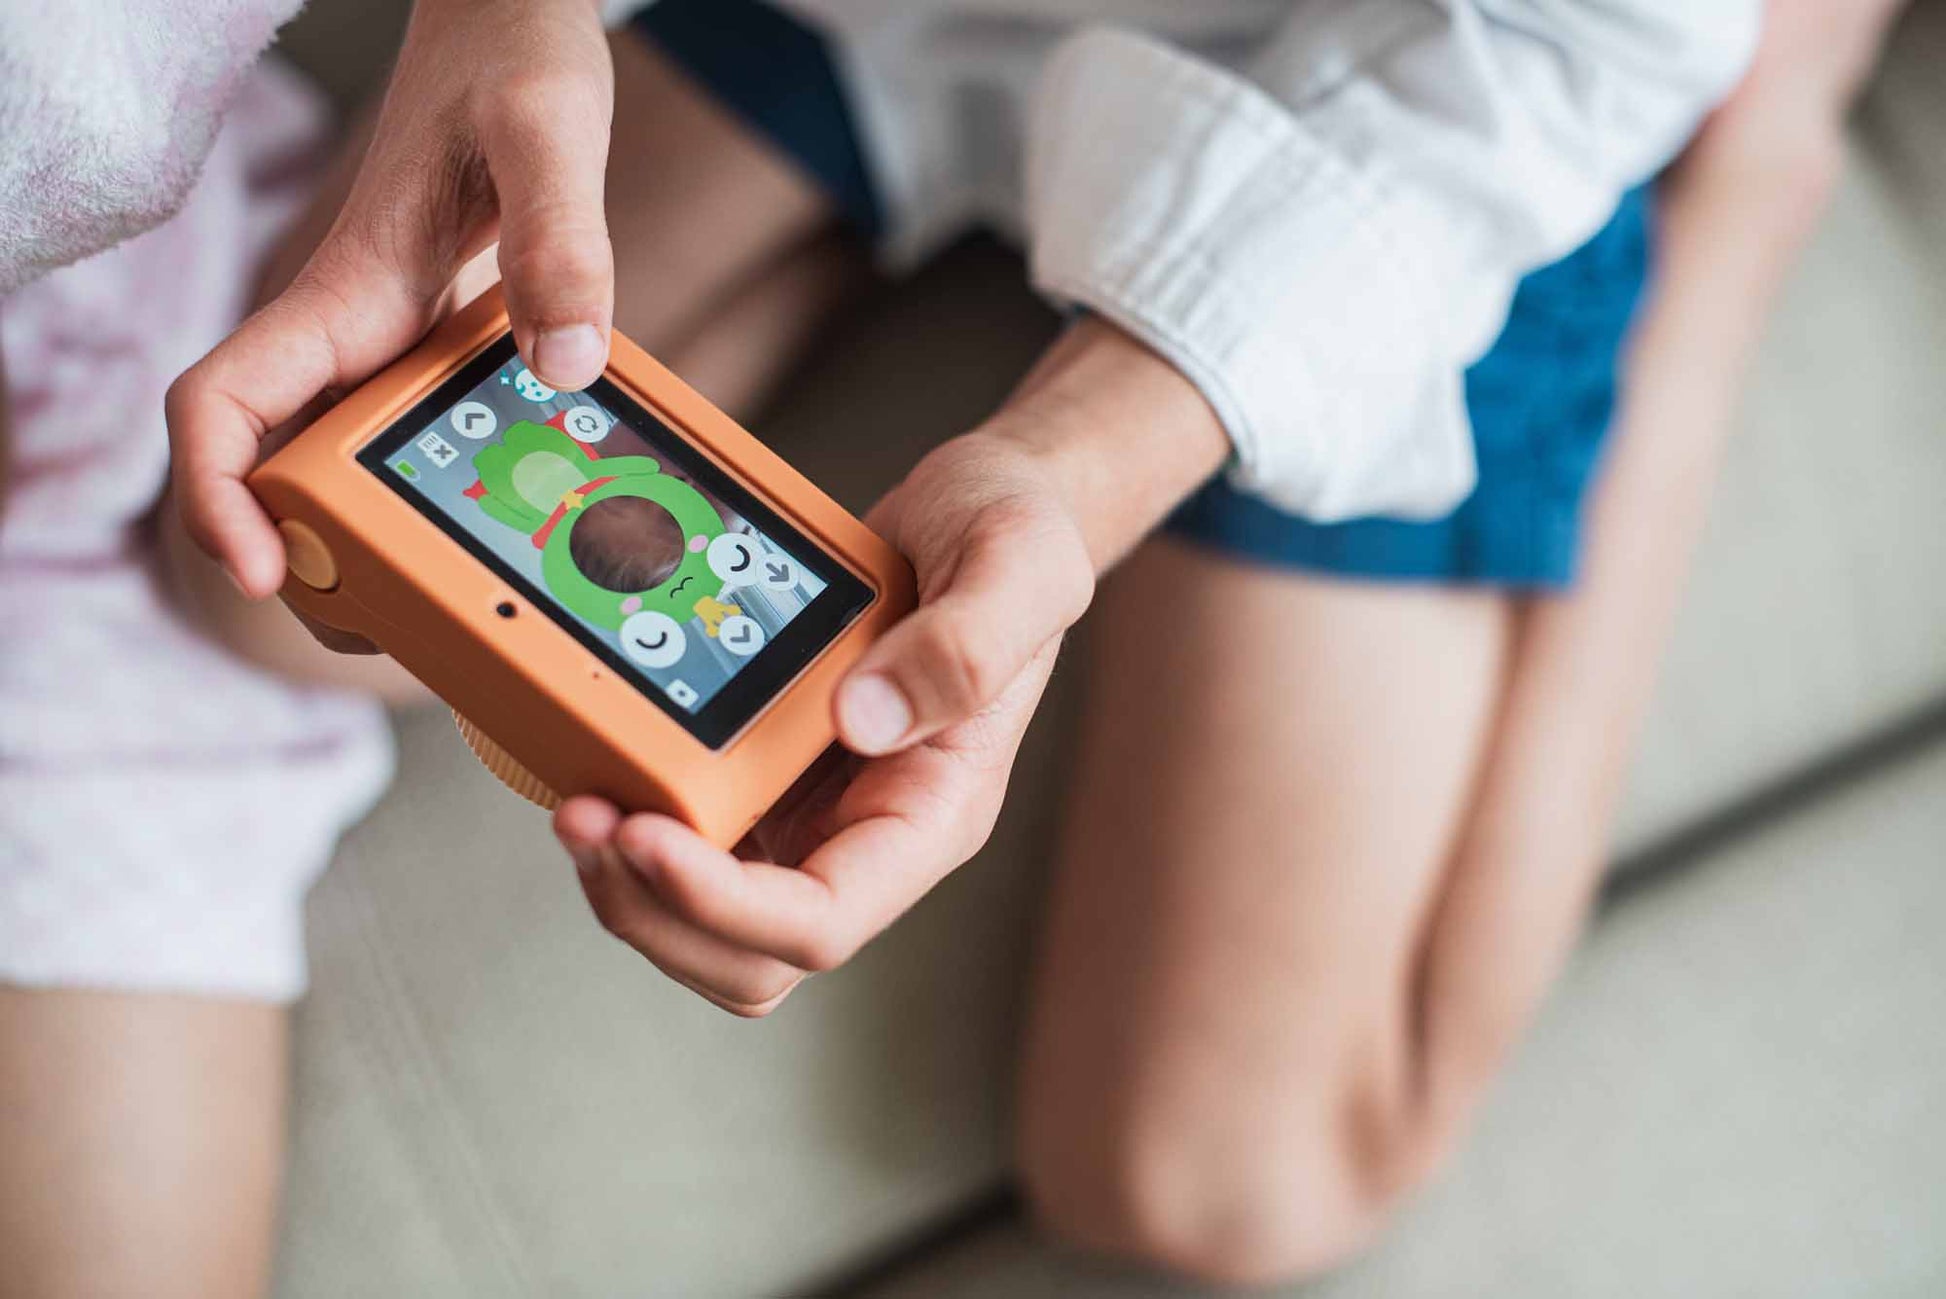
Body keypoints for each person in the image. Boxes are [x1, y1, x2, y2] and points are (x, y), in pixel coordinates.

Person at [1, 4, 1904, 1299]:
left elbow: (1557, 57)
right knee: (290, 575)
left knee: (1218, 1179)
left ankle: (1753, 186)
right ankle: (903, 194)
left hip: (1413, 94)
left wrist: (1070, 469)